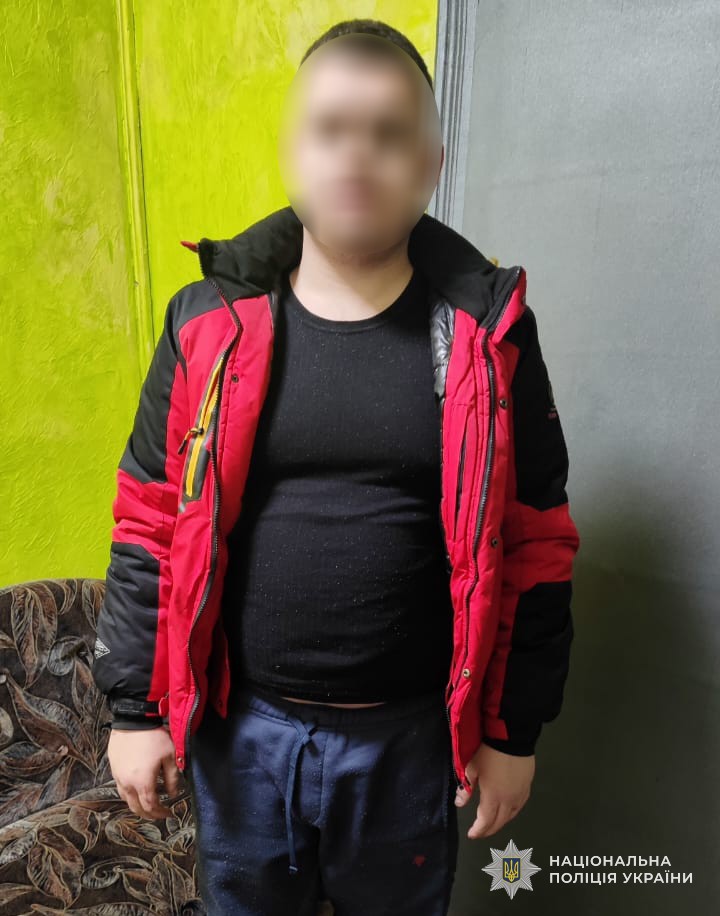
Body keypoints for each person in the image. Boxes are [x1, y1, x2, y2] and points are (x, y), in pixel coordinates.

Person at [92, 18, 580, 916]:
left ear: (431, 162)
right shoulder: (206, 325)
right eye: (330, 129)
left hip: (411, 741)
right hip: (243, 735)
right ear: (292, 151)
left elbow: (535, 541)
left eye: (389, 133)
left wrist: (514, 731)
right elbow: (151, 520)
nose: (357, 154)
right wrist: (135, 710)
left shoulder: (490, 336)